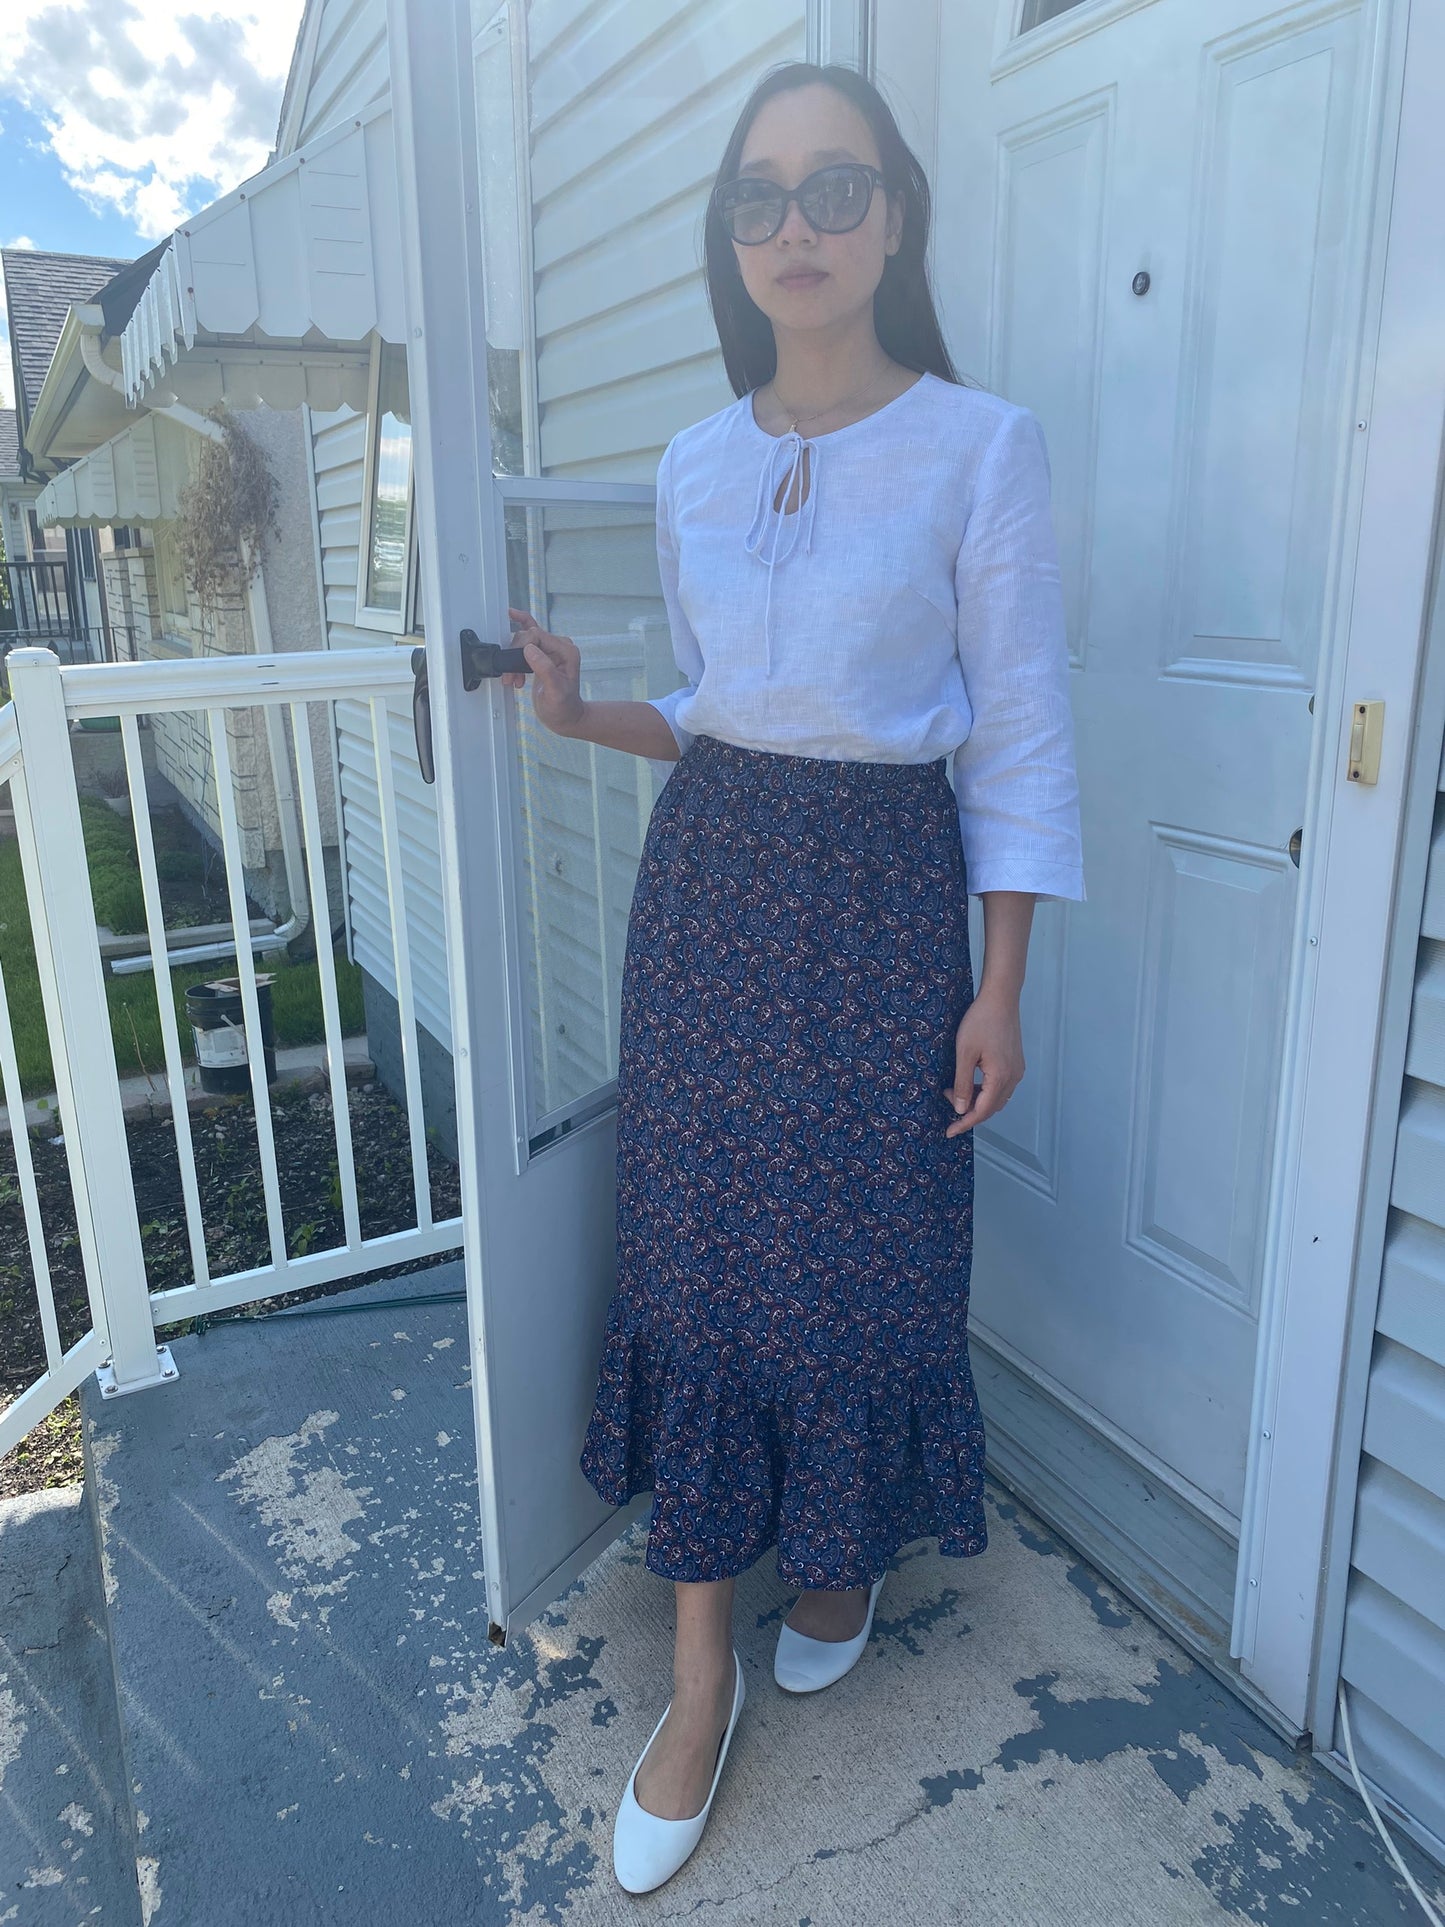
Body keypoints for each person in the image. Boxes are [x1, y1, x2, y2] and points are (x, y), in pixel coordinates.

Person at [500, 59, 1086, 1895]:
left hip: (889, 897)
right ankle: (694, 1681)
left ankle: (833, 1551)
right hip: (712, 901)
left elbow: (1020, 746)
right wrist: (589, 710)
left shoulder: (979, 445)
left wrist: (1000, 986)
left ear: (895, 214)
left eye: (836, 189)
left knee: (862, 1240)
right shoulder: (694, 460)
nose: (797, 228)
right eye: (760, 197)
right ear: (727, 238)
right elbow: (716, 709)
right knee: (693, 1250)